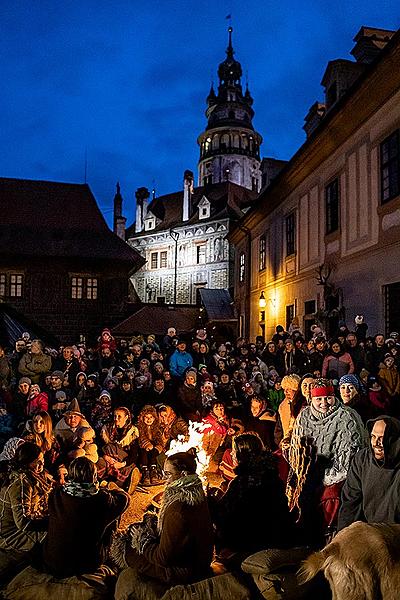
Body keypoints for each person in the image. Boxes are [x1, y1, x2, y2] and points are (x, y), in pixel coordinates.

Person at [114, 451, 214, 593]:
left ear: (184, 474)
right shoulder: (197, 493)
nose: (164, 478)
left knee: (126, 549)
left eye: (168, 474)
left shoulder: (178, 509)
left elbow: (163, 558)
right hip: (198, 560)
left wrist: (142, 540)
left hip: (186, 570)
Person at [287, 378, 366, 544]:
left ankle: (331, 537)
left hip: (339, 474)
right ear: (311, 399)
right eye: (319, 399)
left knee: (330, 496)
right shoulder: (304, 417)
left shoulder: (346, 417)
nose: (324, 403)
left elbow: (348, 458)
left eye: (328, 398)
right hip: (310, 470)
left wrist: (324, 479)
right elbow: (298, 451)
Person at [208, 433, 296, 564]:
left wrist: (210, 501)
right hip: (275, 536)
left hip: (249, 542)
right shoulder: (272, 476)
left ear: (241, 455)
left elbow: (223, 517)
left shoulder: (243, 482)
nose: (231, 455)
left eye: (234, 452)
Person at [43, 456, 129, 578]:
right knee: (112, 518)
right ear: (94, 477)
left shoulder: (56, 494)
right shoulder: (101, 499)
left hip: (52, 560)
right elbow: (125, 498)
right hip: (86, 564)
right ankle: (109, 554)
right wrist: (109, 488)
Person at [338, 416, 400, 530]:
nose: (376, 443)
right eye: (373, 436)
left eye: (382, 438)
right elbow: (351, 502)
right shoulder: (362, 460)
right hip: (369, 531)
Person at [0, 442, 51, 563]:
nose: (41, 464)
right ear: (26, 462)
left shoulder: (33, 476)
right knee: (53, 537)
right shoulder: (21, 483)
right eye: (37, 461)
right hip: (10, 533)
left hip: (23, 525)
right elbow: (23, 522)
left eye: (42, 459)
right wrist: (51, 522)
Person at [97, 407, 140, 494]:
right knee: (100, 462)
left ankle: (119, 486)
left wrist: (121, 464)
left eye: (119, 416)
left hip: (122, 460)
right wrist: (106, 457)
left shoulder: (132, 432)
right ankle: (106, 484)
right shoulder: (107, 429)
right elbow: (99, 447)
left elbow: (134, 454)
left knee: (127, 469)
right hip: (109, 459)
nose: (116, 419)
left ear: (126, 417)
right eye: (115, 416)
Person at [22, 411, 60, 475]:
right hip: (31, 472)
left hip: (49, 472)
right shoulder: (28, 439)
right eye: (36, 422)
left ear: (47, 424)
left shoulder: (53, 441)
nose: (38, 425)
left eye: (42, 422)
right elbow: (24, 461)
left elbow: (57, 460)